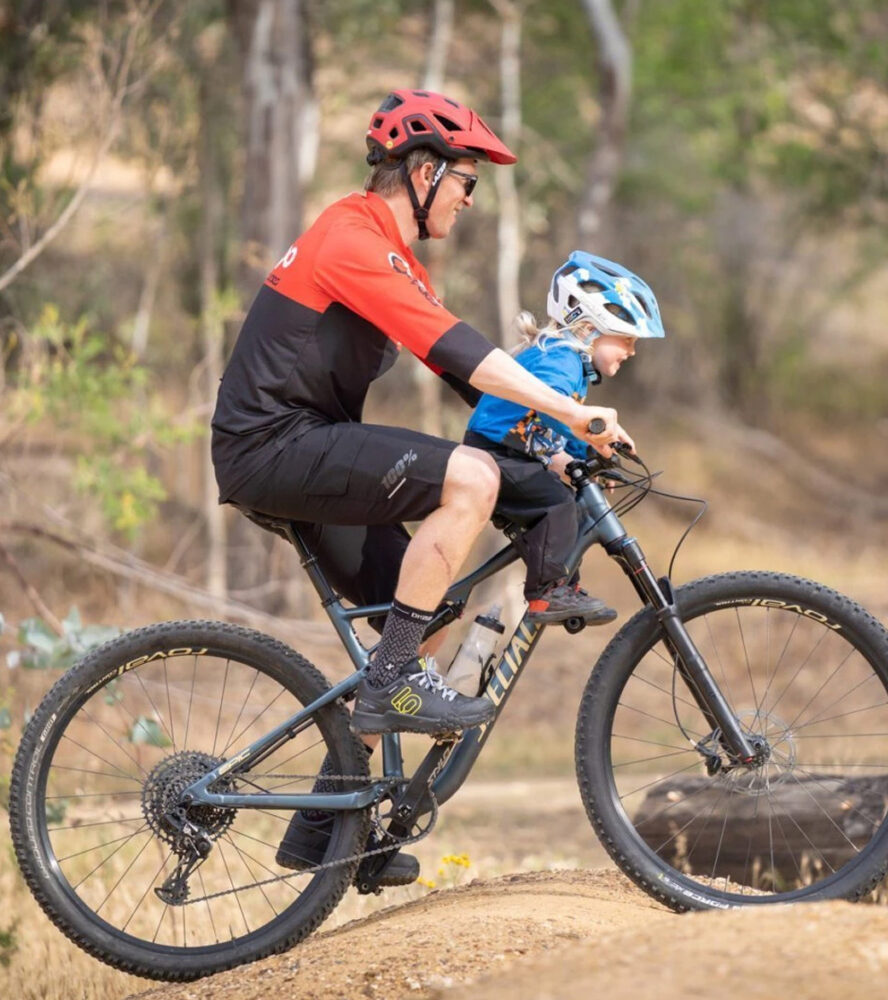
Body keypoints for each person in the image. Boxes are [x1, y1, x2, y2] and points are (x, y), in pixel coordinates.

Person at [209, 89, 633, 879]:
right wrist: (573, 411)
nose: (470, 199)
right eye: (466, 182)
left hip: (301, 449)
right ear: (425, 170)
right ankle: (395, 682)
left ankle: (328, 835)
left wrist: (554, 440)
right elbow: (461, 349)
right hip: (274, 446)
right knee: (469, 477)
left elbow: (471, 379)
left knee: (424, 614)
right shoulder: (350, 237)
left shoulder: (391, 256)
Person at [464, 251, 664, 622]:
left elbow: (559, 430)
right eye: (626, 339)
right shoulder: (560, 358)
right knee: (558, 504)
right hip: (493, 454)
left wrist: (590, 455)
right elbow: (552, 412)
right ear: (589, 328)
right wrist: (595, 432)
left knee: (573, 507)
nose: (632, 351)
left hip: (510, 455)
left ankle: (563, 587)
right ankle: (547, 593)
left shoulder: (573, 366)